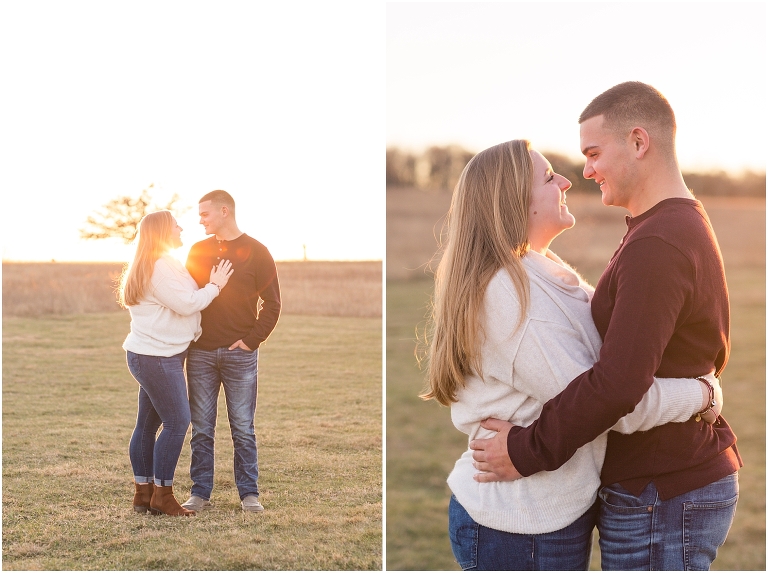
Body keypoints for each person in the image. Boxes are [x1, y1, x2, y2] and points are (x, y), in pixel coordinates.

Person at [470, 82, 741, 570]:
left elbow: (618, 385)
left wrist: (525, 449)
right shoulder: (659, 228)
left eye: (593, 153)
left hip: (663, 486)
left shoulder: (659, 242)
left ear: (639, 142)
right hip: (657, 484)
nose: (585, 170)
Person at [119, 210, 233, 517]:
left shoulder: (160, 263)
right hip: (157, 358)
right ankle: (162, 496)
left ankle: (143, 494)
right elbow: (187, 303)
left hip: (153, 354)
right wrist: (216, 285)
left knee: (147, 426)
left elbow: (184, 297)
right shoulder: (159, 267)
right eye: (175, 225)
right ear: (162, 233)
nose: (181, 228)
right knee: (178, 421)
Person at [181, 190, 281, 513]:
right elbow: (186, 298)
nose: (200, 220)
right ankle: (200, 493)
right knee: (201, 428)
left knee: (242, 427)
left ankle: (249, 494)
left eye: (205, 214)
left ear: (224, 211)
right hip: (200, 355)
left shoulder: (258, 252)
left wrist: (252, 341)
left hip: (241, 355)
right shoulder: (196, 251)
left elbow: (273, 304)